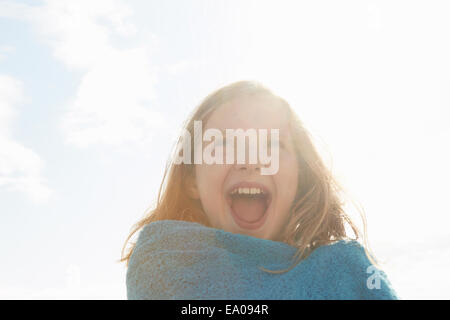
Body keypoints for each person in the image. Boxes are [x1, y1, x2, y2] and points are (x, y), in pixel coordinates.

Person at [120, 80, 399, 299]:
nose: (251, 160)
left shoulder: (349, 272)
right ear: (192, 180)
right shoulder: (163, 265)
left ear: (300, 179)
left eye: (273, 145)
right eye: (225, 144)